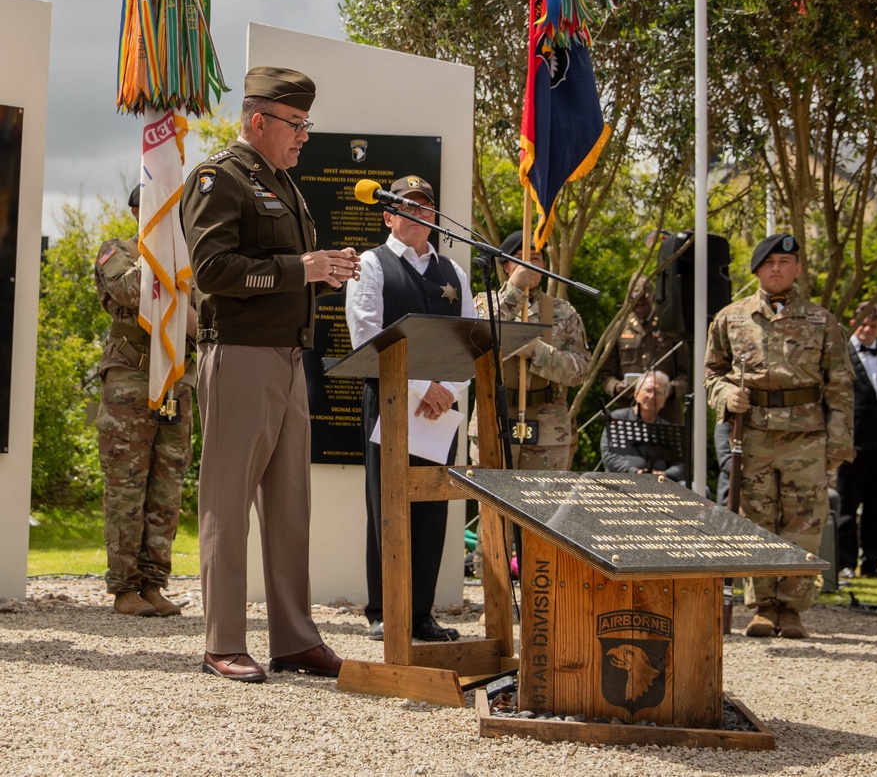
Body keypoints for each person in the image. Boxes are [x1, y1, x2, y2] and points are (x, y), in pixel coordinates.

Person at [182, 66, 361, 683]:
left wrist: (325, 270)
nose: (304, 135)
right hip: (239, 354)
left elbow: (288, 265)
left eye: (307, 124)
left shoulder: (283, 185)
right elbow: (213, 270)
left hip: (287, 358)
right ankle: (222, 641)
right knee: (227, 502)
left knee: (290, 505)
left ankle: (293, 638)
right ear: (259, 120)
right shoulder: (218, 178)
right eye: (296, 124)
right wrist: (301, 268)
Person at [345, 174, 477, 643]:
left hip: (442, 410)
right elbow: (366, 337)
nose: (417, 214)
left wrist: (449, 391)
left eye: (424, 207)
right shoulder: (370, 265)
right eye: (407, 207)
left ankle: (421, 613)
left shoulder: (455, 273)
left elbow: (472, 340)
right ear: (388, 215)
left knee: (433, 506)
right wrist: (425, 388)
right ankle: (384, 610)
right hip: (391, 400)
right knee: (389, 502)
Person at [705, 233, 854, 639]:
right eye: (769, 262)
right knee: (757, 522)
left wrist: (838, 447)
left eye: (785, 262)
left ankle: (792, 610)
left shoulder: (822, 322)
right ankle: (763, 608)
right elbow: (711, 374)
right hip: (752, 434)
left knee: (803, 523)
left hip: (807, 436)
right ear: (756, 270)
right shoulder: (730, 318)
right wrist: (724, 394)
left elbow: (840, 385)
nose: (777, 269)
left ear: (797, 269)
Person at [94, 184, 197, 617]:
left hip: (174, 380)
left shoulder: (188, 259)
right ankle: (124, 589)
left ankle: (154, 584)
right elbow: (136, 293)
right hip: (130, 384)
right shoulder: (115, 250)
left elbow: (204, 313)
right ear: (139, 211)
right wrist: (163, 256)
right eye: (159, 211)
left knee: (166, 488)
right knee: (126, 487)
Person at [467, 231, 591, 471]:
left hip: (547, 429)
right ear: (505, 266)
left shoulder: (562, 312)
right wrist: (514, 289)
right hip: (493, 421)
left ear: (544, 264)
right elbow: (477, 343)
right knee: (493, 505)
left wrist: (537, 352)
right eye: (520, 258)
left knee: (543, 507)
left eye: (535, 258)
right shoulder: (484, 303)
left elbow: (580, 370)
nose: (529, 264)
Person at [835, 301, 877, 581]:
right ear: (854, 323)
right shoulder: (841, 353)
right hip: (852, 440)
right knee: (847, 505)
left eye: (874, 324)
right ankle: (845, 562)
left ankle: (872, 562)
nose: (868, 328)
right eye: (863, 323)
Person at [599, 271, 689, 425]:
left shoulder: (668, 326)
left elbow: (687, 374)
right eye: (636, 305)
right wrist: (616, 387)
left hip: (666, 413)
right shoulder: (618, 328)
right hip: (629, 411)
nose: (640, 309)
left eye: (644, 304)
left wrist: (670, 389)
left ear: (653, 298)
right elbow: (606, 375)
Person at [600, 370, 684, 480]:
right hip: (623, 481)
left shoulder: (667, 428)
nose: (652, 396)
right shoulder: (618, 418)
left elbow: (680, 464)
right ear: (636, 393)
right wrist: (635, 472)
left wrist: (665, 475)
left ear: (664, 400)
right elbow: (609, 454)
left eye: (658, 393)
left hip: (660, 485)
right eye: (648, 390)